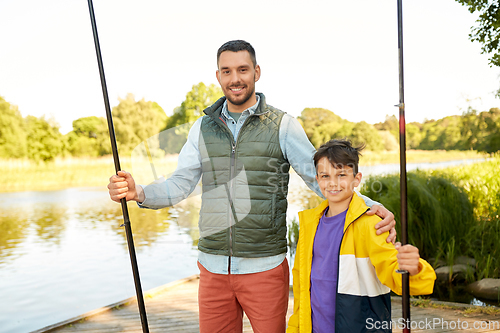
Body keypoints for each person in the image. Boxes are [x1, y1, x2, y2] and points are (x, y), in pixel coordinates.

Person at [108, 40, 397, 333]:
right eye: (227, 71)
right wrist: (140, 192)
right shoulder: (202, 128)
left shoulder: (283, 125)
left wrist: (370, 207)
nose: (235, 79)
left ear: (256, 72)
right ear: (218, 76)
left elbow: (319, 178)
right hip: (212, 268)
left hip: (265, 267)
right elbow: (180, 183)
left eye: (243, 70)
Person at [286, 139, 436, 333]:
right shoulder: (310, 225)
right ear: (317, 179)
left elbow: (392, 270)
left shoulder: (371, 223)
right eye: (325, 176)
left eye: (341, 175)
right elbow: (302, 290)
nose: (332, 183)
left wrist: (414, 268)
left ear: (356, 179)